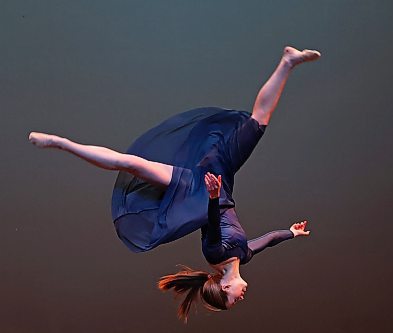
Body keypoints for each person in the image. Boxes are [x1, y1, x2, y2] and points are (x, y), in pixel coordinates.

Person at [28, 46, 320, 321]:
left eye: (232, 300)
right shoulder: (243, 255)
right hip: (218, 181)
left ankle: (61, 143)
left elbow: (214, 222)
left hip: (195, 190)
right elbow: (267, 240)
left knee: (130, 163)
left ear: (223, 289)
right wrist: (291, 233)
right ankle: (287, 61)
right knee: (258, 122)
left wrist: (213, 195)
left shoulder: (215, 255)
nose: (241, 298)